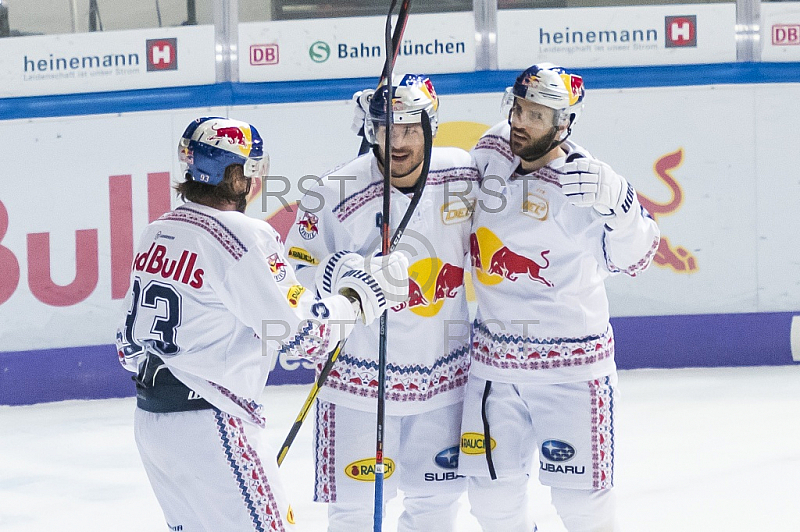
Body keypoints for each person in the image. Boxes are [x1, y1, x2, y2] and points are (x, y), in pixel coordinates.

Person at [115, 116, 408, 531]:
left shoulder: (158, 231)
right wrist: (357, 299)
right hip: (213, 423)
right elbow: (306, 337)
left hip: (152, 427)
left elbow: (127, 350)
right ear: (238, 176)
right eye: (253, 167)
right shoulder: (244, 236)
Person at [458, 64, 661, 531]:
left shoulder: (583, 185)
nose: (520, 122)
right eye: (519, 108)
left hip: (571, 374)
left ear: (564, 124)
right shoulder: (491, 149)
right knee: (490, 502)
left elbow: (636, 258)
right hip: (495, 369)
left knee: (583, 509)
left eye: (536, 115)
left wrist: (623, 203)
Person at [284, 74, 479, 532]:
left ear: (432, 127)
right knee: (353, 515)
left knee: (436, 508)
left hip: (442, 385)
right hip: (358, 388)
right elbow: (293, 273)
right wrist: (341, 272)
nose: (400, 141)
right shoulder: (331, 191)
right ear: (370, 128)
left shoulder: (464, 174)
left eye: (412, 128)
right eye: (388, 128)